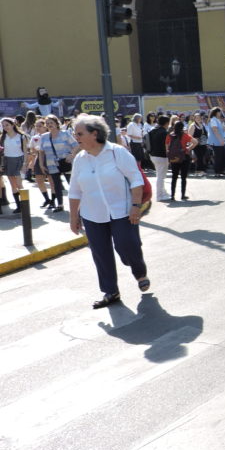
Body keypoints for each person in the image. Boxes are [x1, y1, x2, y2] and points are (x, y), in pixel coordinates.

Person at [68, 114, 150, 309]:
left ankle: (139, 272)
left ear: (94, 133)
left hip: (122, 210)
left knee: (127, 245)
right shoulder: (80, 159)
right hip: (92, 214)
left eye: (79, 133)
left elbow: (136, 180)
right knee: (100, 253)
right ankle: (110, 291)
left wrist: (136, 206)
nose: (75, 137)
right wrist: (73, 217)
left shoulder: (117, 152)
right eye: (74, 133)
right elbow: (74, 190)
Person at [39, 114, 79, 212]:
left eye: (51, 123)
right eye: (47, 123)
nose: (49, 125)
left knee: (72, 184)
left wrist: (72, 155)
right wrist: (41, 164)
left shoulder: (65, 134)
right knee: (56, 185)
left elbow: (76, 145)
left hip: (66, 162)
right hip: (51, 163)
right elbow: (41, 152)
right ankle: (60, 204)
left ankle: (79, 205)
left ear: (57, 124)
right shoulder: (44, 137)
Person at [0, 117, 29, 214]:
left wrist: (25, 164)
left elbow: (25, 152)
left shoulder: (21, 137)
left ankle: (25, 205)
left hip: (19, 161)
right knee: (12, 184)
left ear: (13, 124)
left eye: (7, 125)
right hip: (8, 161)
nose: (5, 127)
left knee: (19, 184)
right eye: (3, 126)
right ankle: (18, 206)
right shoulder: (3, 137)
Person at [166, 121, 197, 201]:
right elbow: (195, 142)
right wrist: (188, 148)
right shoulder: (185, 135)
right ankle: (183, 195)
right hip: (184, 157)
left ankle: (172, 196)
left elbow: (167, 147)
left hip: (174, 158)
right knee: (183, 177)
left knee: (174, 177)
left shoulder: (170, 135)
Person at [28, 118, 53, 207]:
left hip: (50, 157)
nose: (38, 128)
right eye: (36, 126)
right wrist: (33, 159)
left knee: (51, 180)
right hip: (39, 158)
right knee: (39, 180)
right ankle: (47, 199)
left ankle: (53, 200)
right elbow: (32, 149)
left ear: (45, 127)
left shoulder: (50, 135)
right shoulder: (35, 137)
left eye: (40, 126)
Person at [147, 115, 171, 202]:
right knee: (161, 177)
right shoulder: (164, 132)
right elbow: (166, 146)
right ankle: (160, 195)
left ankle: (163, 192)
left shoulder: (152, 130)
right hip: (161, 157)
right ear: (166, 123)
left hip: (153, 155)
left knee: (159, 175)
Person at [207, 107, 225, 177]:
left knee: (223, 155)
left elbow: (224, 128)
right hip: (216, 142)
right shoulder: (213, 120)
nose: (220, 113)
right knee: (218, 157)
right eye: (219, 112)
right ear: (216, 113)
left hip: (220, 142)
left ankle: (221, 170)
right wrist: (220, 140)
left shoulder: (218, 120)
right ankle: (217, 172)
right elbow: (215, 130)